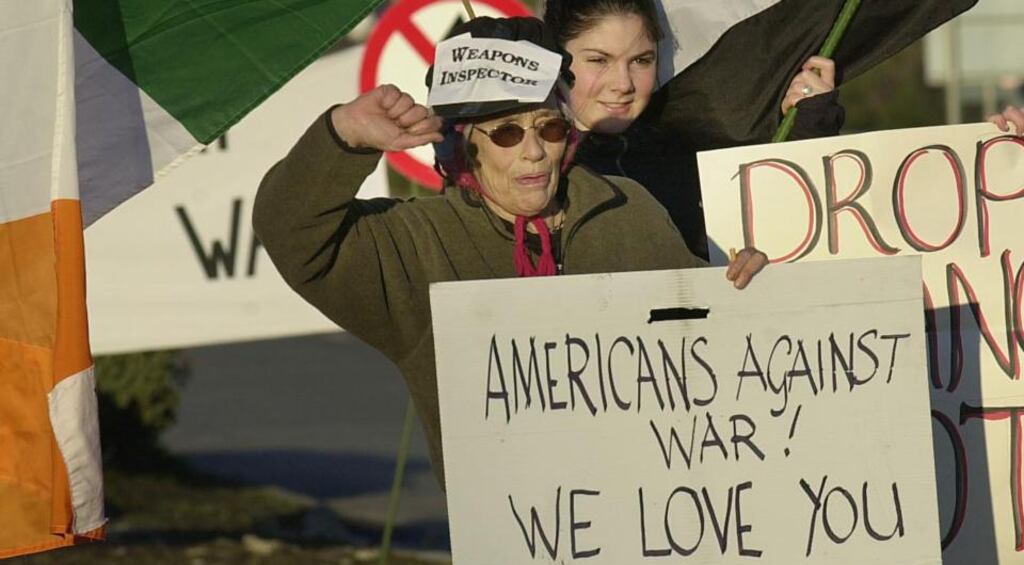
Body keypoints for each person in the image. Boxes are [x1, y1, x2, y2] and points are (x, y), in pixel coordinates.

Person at [253, 16, 767, 488]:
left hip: (658, 524)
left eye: (548, 126)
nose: (533, 150)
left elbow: (705, 354)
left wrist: (745, 291)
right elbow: (294, 234)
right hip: (519, 542)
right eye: (505, 132)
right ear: (460, 147)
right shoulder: (414, 244)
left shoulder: (630, 208)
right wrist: (343, 138)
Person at [544, 0, 844, 260]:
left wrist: (809, 127)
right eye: (598, 60)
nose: (623, 83)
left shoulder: (682, 153)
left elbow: (788, 234)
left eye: (641, 60)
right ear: (555, 58)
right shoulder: (524, 156)